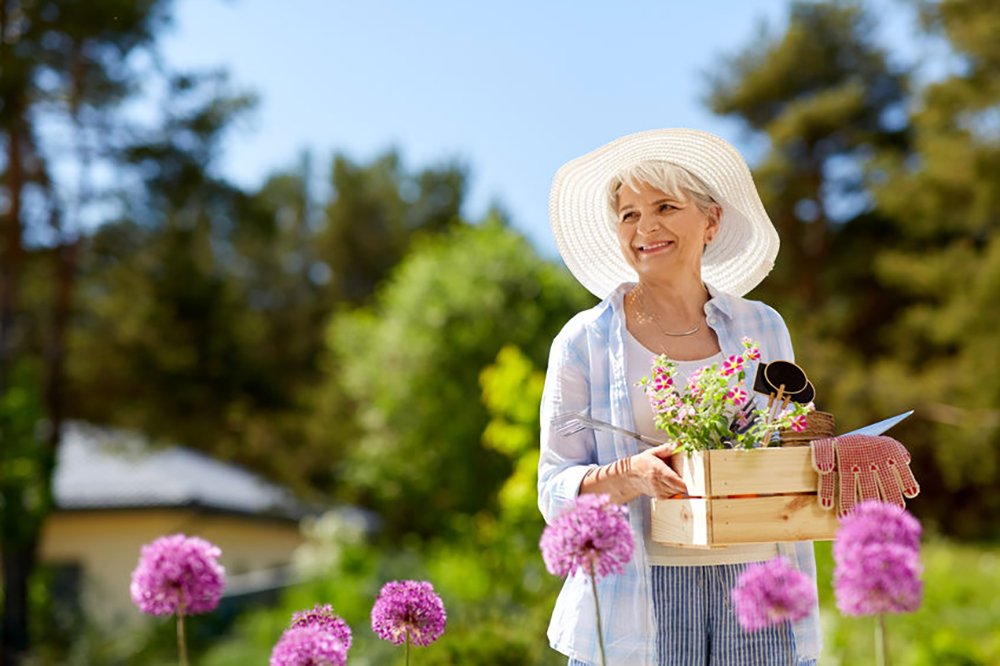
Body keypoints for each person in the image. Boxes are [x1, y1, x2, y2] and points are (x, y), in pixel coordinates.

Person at [538, 129, 822, 666]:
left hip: (759, 586)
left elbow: (791, 445)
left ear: (711, 221)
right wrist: (630, 474)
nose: (645, 227)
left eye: (665, 206)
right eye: (628, 214)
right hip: (637, 600)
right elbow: (553, 491)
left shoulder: (762, 325)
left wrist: (842, 454)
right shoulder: (585, 340)